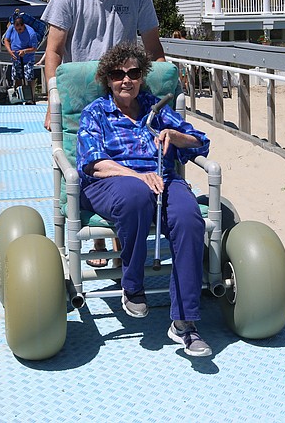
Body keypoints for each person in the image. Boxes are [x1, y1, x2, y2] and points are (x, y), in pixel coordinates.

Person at [76, 43, 212, 357]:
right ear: (107, 79)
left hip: (161, 178)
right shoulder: (96, 112)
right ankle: (133, 284)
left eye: (133, 73)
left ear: (141, 76)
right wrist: (136, 176)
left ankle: (184, 323)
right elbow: (94, 163)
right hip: (110, 182)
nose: (127, 80)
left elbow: (200, 142)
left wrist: (175, 137)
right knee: (135, 195)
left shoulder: (156, 109)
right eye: (118, 74)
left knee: (188, 217)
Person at [42, 0, 166, 266]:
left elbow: (154, 48)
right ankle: (97, 242)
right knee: (85, 163)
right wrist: (54, 101)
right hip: (81, 90)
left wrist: (164, 91)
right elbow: (54, 51)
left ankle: (119, 237)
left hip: (122, 83)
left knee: (123, 158)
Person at [3, 16, 38, 104]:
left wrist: (25, 51)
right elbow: (6, 40)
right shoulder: (11, 28)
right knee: (16, 77)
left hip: (28, 57)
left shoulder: (31, 33)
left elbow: (34, 48)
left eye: (20, 29)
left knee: (28, 77)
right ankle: (18, 97)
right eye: (16, 29)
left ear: (24, 26)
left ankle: (31, 98)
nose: (18, 31)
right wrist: (10, 51)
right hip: (16, 57)